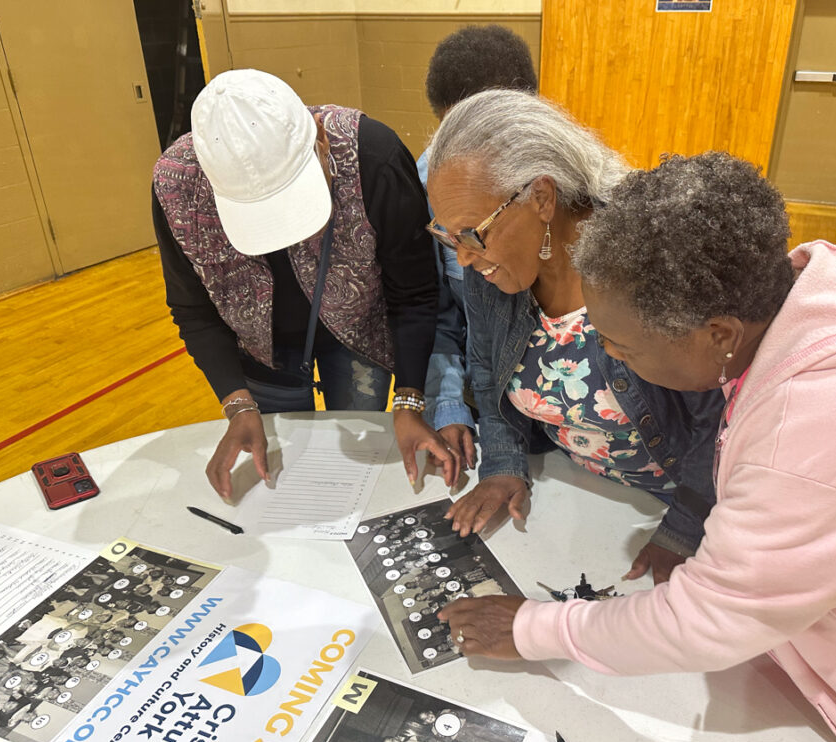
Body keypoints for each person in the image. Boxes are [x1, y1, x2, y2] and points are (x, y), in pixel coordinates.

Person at [440, 153, 836, 742]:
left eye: (622, 347)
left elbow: (704, 622)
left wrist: (530, 628)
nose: (614, 364)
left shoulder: (815, 434)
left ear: (719, 335)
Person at [426, 90, 722, 579]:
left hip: (676, 506)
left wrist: (686, 526)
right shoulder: (492, 271)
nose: (463, 257)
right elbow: (486, 369)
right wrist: (502, 461)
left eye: (472, 233)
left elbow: (719, 416)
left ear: (542, 198)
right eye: (447, 236)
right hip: (581, 498)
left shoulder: (650, 259)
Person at [153, 69, 455, 499]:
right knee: (279, 477)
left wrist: (408, 400)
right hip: (259, 350)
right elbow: (193, 309)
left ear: (319, 136)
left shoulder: (374, 156)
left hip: (358, 336)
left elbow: (415, 293)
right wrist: (237, 403)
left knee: (355, 472)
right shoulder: (176, 186)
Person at [418, 25, 539, 469]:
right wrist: (448, 404)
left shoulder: (568, 189)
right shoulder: (432, 181)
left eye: (487, 133)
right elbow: (439, 313)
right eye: (455, 132)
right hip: (488, 413)